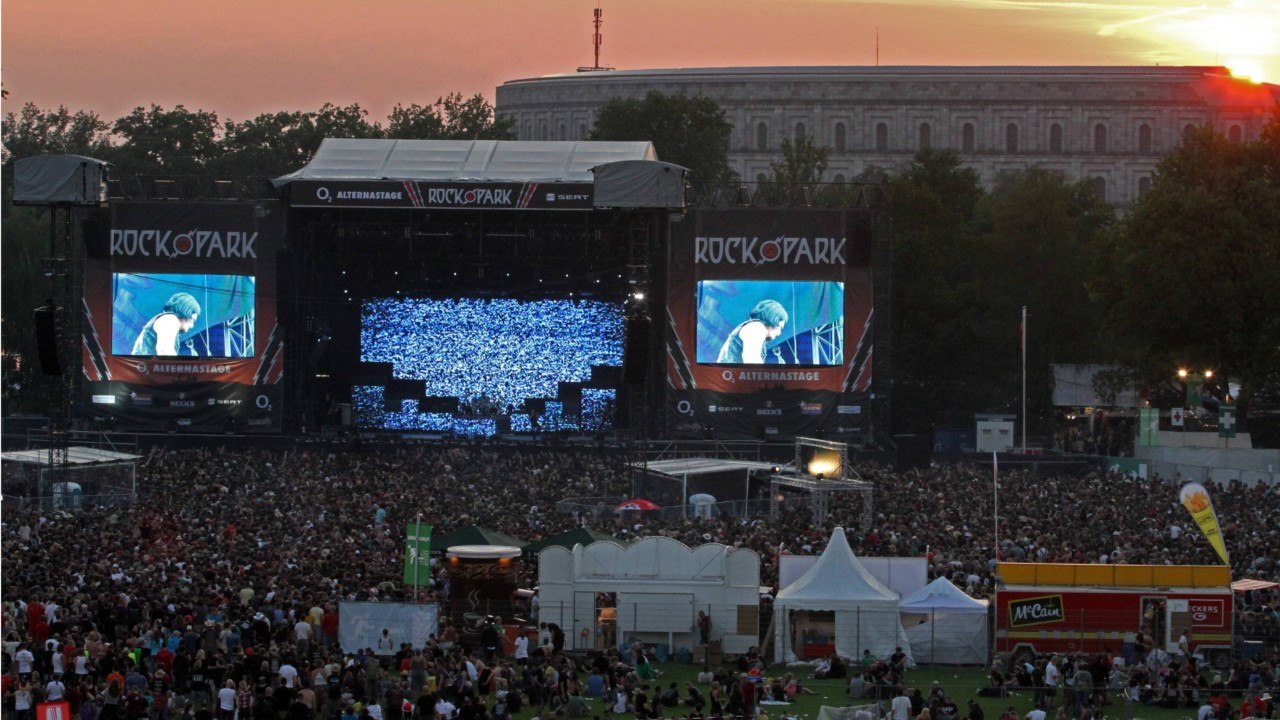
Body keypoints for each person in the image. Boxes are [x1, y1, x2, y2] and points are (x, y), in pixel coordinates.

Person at [716, 299, 788, 364]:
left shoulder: (753, 328)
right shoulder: (756, 327)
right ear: (773, 318)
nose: (779, 333)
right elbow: (752, 360)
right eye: (780, 327)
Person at [131, 292, 201, 356]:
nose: (192, 326)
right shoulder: (170, 319)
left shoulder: (168, 320)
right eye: (192, 320)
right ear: (186, 311)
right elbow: (164, 351)